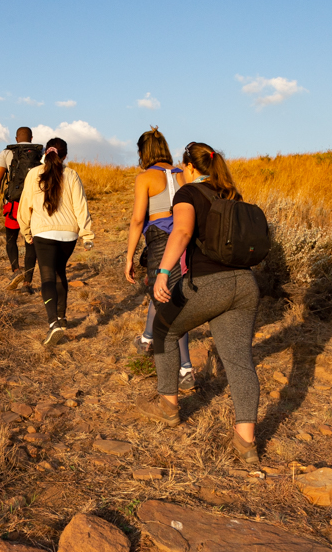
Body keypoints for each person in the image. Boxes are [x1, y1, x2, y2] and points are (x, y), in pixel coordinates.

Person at [137, 142, 261, 464]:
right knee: (238, 359)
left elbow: (181, 231)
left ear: (189, 167)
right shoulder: (232, 194)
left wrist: (163, 272)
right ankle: (246, 443)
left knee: (164, 327)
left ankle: (168, 406)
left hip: (209, 284)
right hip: (245, 285)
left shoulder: (188, 193)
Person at [124, 127, 195, 392]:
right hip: (185, 240)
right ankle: (147, 339)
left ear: (144, 152)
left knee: (167, 299)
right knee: (166, 293)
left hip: (159, 241)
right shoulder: (183, 173)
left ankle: (185, 368)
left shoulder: (145, 178)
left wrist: (129, 257)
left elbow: (137, 219)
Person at [17, 137, 95, 347]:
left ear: (45, 152)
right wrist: (86, 234)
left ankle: (53, 324)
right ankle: (62, 317)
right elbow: (81, 206)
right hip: (68, 236)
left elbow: (24, 207)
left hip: (43, 234)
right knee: (60, 271)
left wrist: (25, 231)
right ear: (65, 155)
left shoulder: (34, 174)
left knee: (47, 278)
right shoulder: (72, 175)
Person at [0, 127, 43, 292]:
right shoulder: (40, 154)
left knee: (11, 239)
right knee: (30, 242)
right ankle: (27, 283)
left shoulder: (6, 153)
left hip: (14, 204)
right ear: (31, 138)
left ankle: (16, 270)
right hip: (34, 204)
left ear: (16, 138)